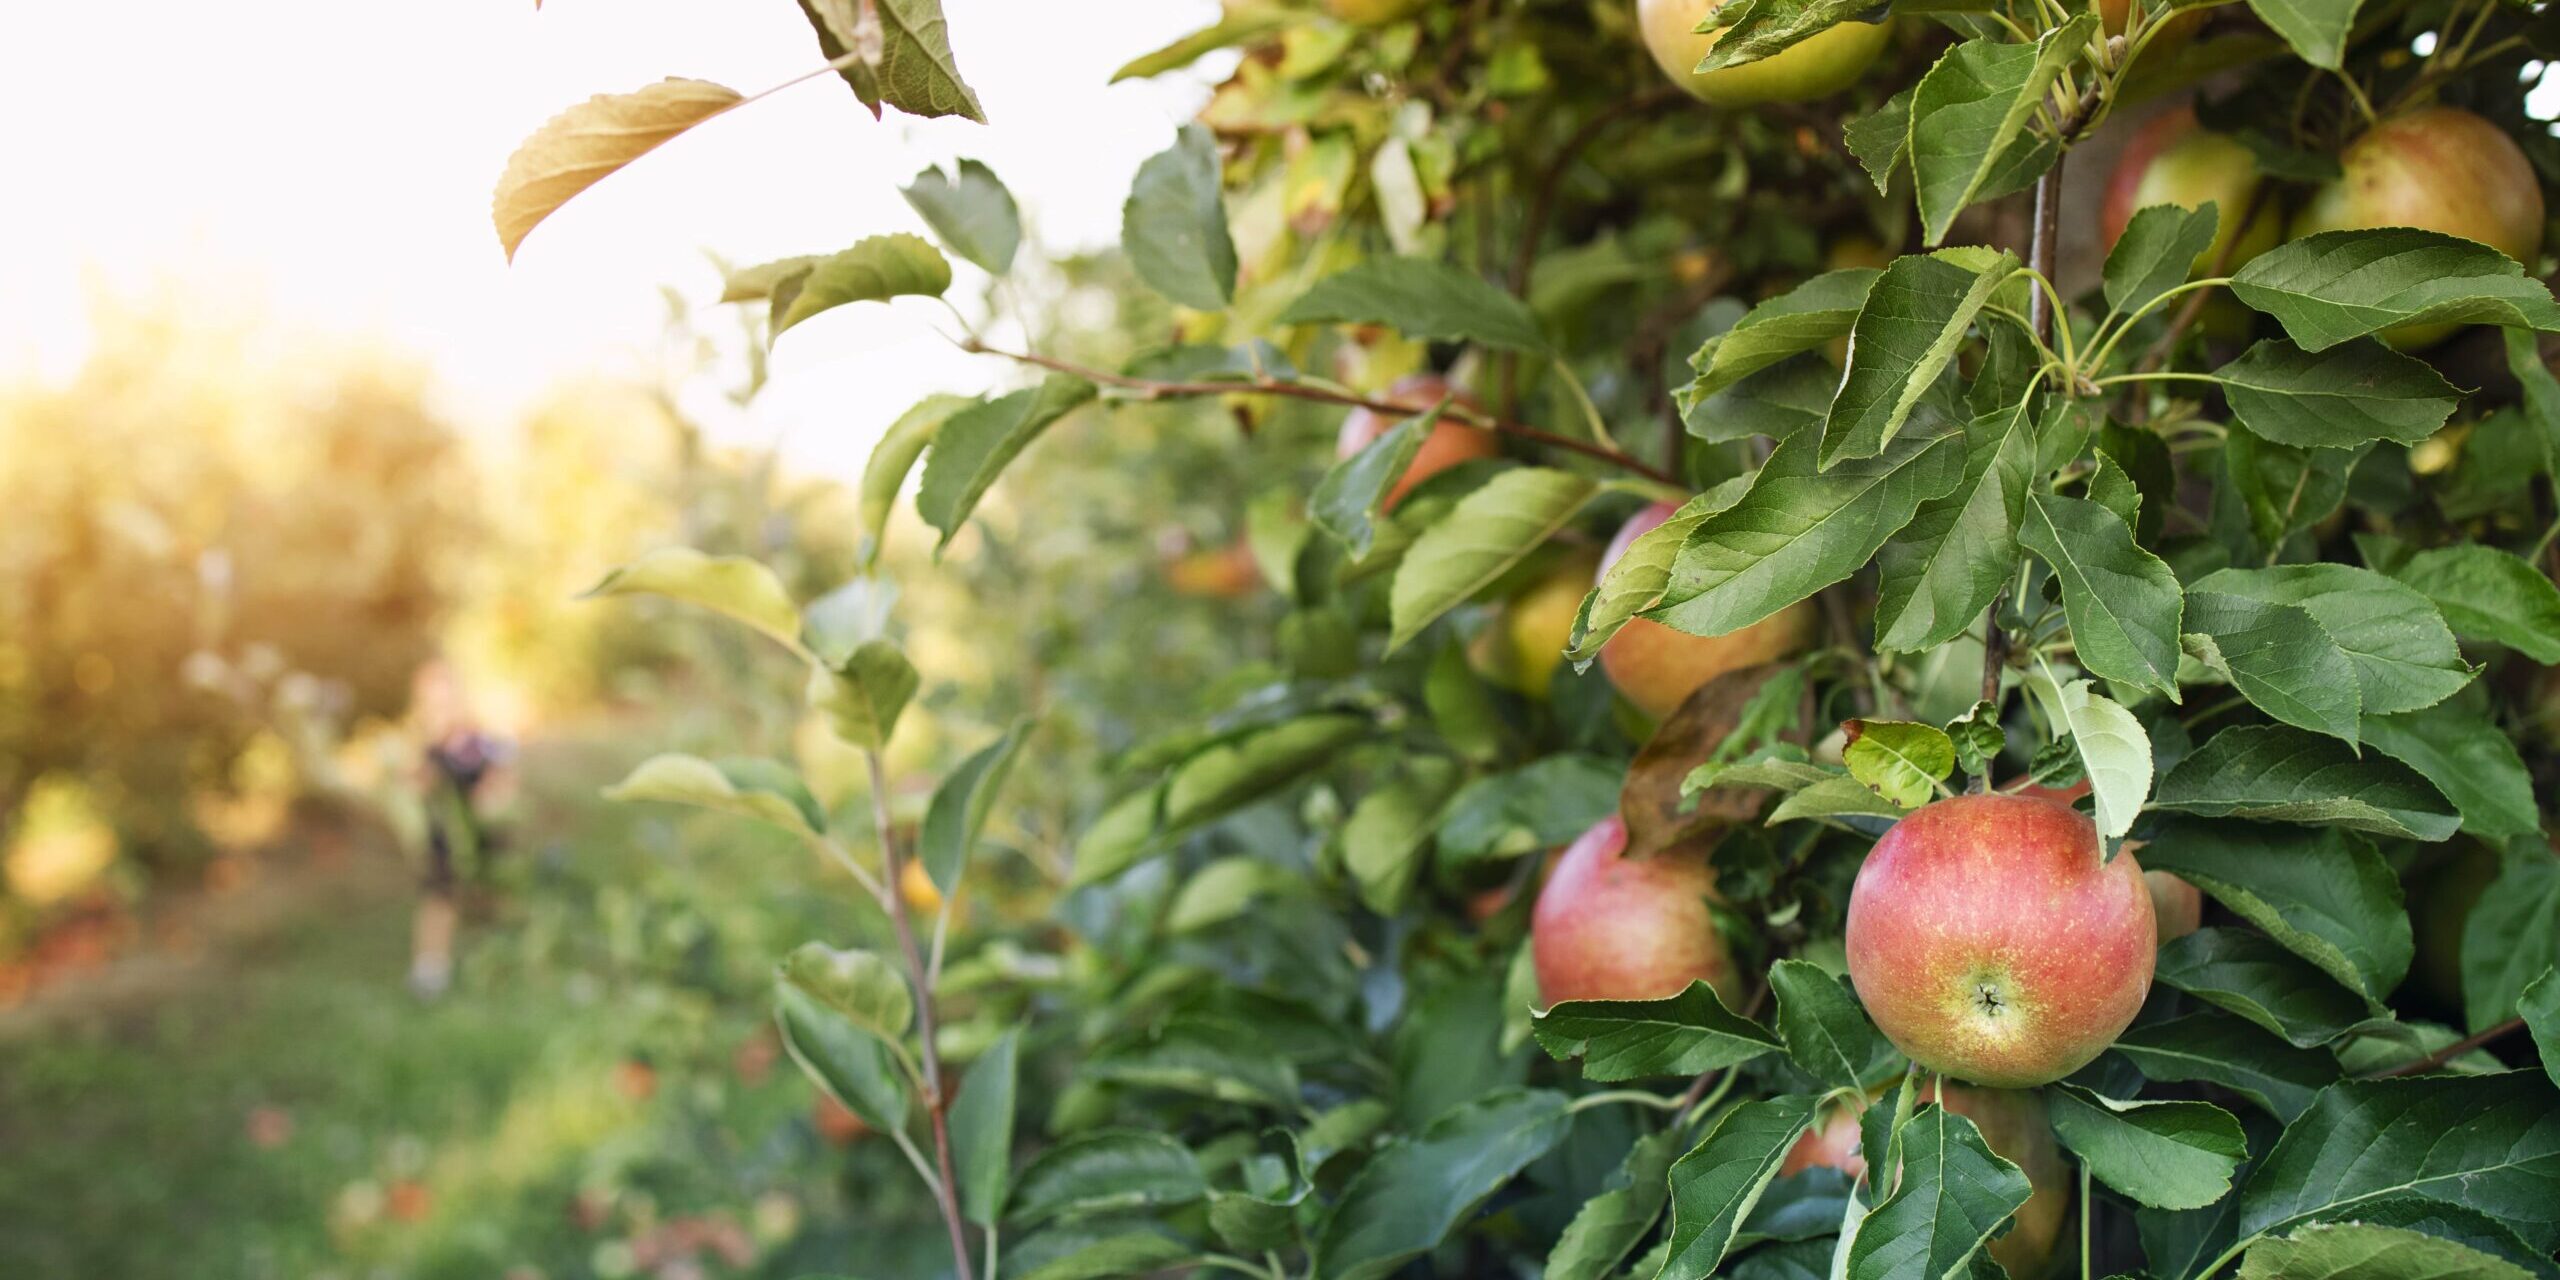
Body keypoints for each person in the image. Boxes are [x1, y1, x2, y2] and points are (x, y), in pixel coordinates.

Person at [405, 659, 516, 999]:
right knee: (441, 897)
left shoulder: (480, 740)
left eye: (448, 698)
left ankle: (501, 956)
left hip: (483, 830)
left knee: (495, 890)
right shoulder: (425, 746)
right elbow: (413, 786)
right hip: (447, 835)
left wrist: (493, 794)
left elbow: (504, 777)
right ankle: (431, 968)